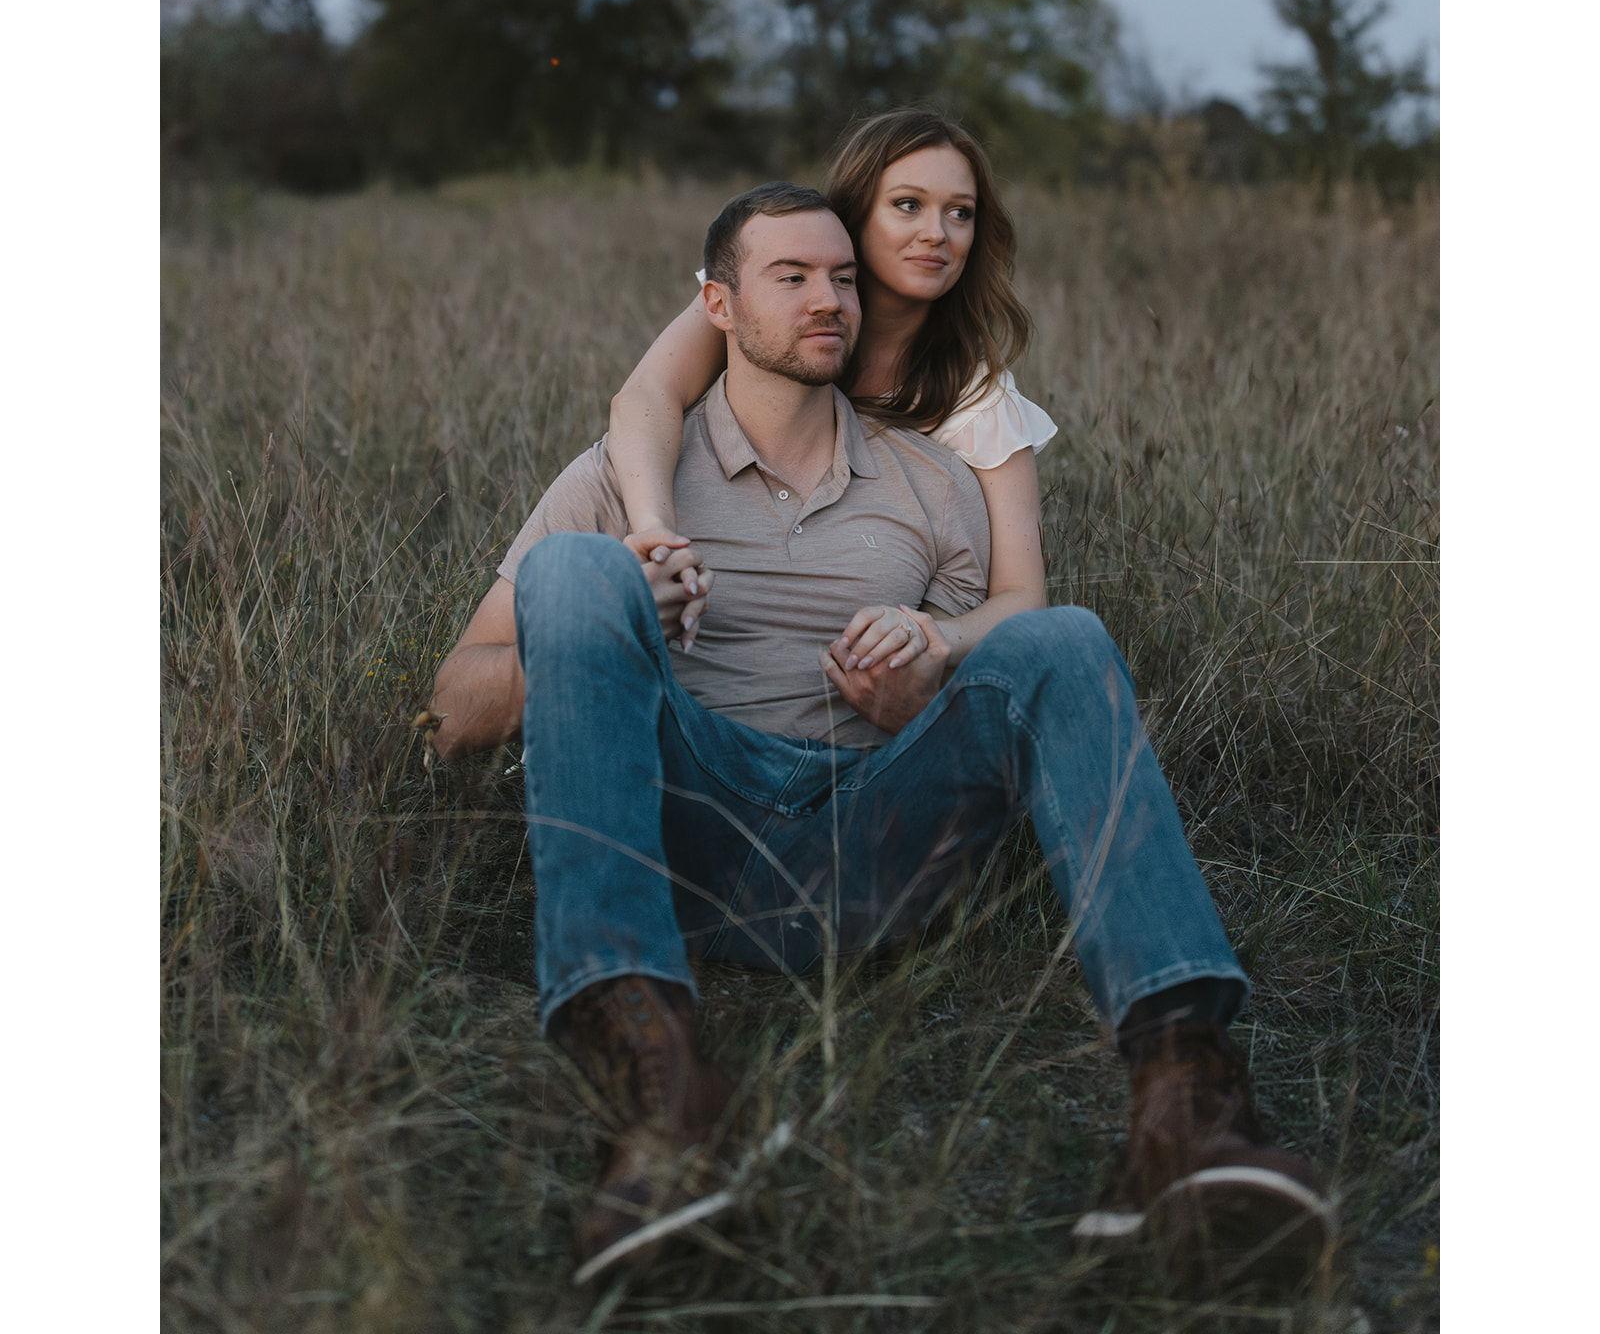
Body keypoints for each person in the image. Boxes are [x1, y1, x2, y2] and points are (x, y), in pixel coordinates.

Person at [426, 182, 1333, 1287]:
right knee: (577, 572)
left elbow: (977, 692)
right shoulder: (623, 476)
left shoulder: (933, 484)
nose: (829, 300)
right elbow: (449, 712)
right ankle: (653, 1096)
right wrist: (608, 634)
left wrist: (923, 683)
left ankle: (1190, 1104)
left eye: (844, 279)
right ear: (717, 305)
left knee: (1059, 636)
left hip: (875, 835)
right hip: (687, 825)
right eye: (792, 277)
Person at [607, 108, 1057, 681]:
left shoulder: (979, 400)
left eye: (960, 213)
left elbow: (1023, 597)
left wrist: (931, 635)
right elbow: (646, 394)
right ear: (856, 212)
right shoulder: (771, 304)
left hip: (872, 653)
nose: (937, 234)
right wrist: (654, 532)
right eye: (908, 205)